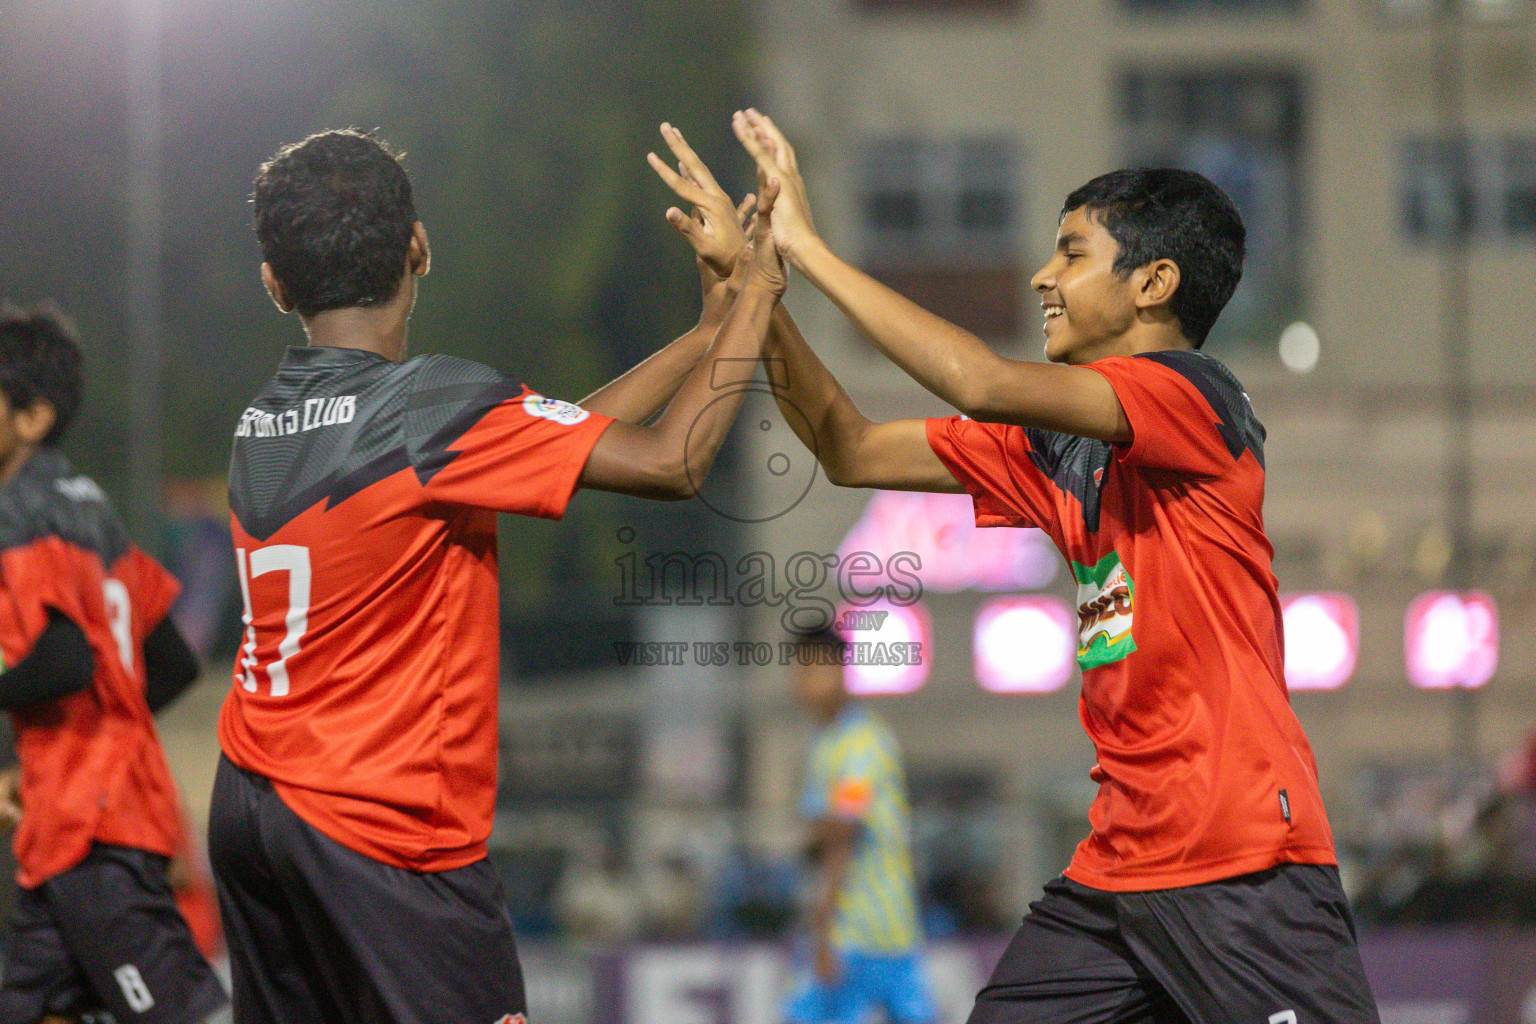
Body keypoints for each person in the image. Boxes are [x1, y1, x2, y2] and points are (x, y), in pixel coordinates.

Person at [724, 108, 1380, 1023]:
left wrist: (812, 249)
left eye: (1071, 253)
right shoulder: (1057, 450)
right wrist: (762, 291)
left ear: (1154, 283)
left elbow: (978, 381)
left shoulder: (1197, 394)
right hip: (1115, 878)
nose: (1043, 276)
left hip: (1242, 869)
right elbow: (852, 448)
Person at [209, 127, 785, 1024]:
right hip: (380, 828)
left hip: (254, 805)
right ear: (417, 245)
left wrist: (703, 336)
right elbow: (672, 463)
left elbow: (549, 442)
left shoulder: (268, 421)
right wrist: (758, 291)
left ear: (273, 281)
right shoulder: (427, 407)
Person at [0, 303, 227, 1024]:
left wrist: (76, 747)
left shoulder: (17, 512)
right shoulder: (92, 508)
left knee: (186, 1015)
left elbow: (63, 658)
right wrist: (97, 734)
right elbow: (171, 661)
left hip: (91, 830)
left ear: (31, 418)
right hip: (82, 819)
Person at [783, 629, 936, 1024]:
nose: (804, 680)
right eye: (800, 669)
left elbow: (839, 834)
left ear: (840, 670)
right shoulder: (826, 743)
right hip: (882, 927)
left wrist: (822, 928)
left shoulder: (861, 743)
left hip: (863, 924)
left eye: (814, 667)